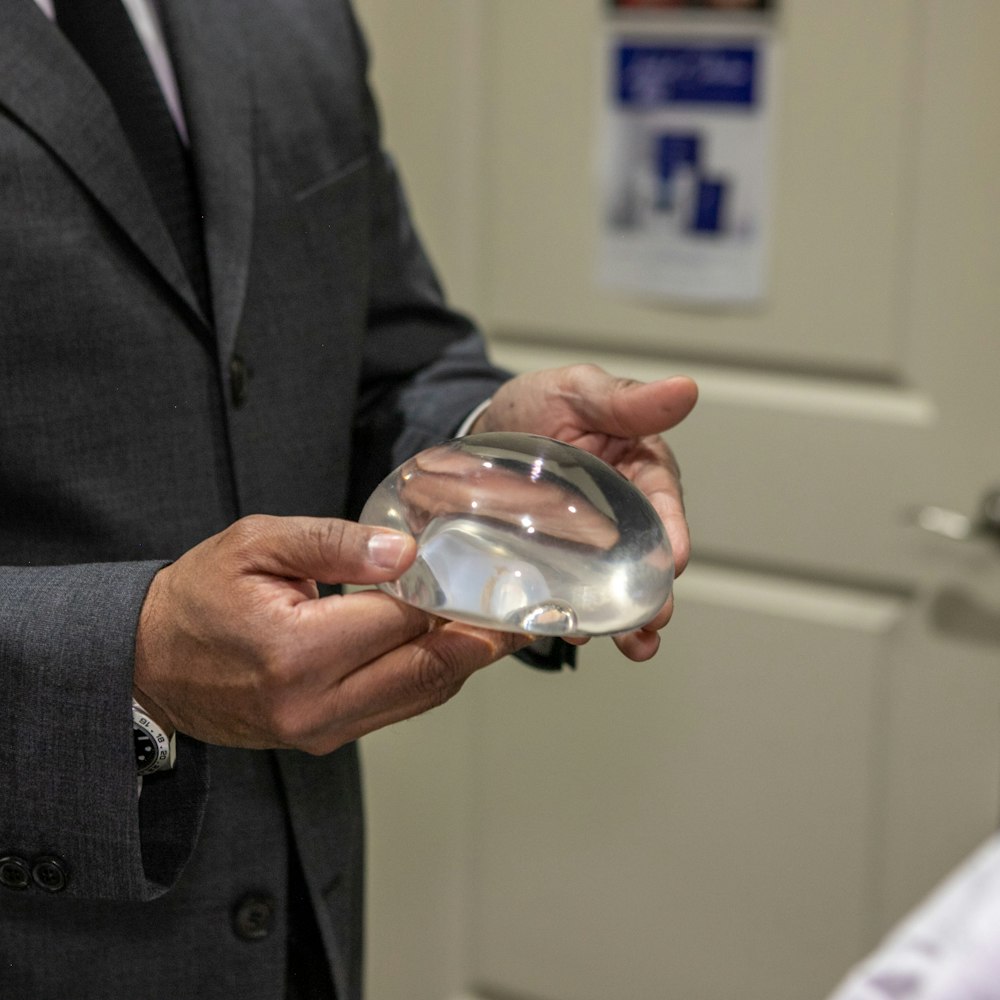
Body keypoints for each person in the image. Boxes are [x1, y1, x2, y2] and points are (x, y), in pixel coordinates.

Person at [0, 1, 697, 998]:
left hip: (301, 919)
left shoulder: (296, 15)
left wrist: (484, 450)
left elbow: (386, 352)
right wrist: (126, 661)